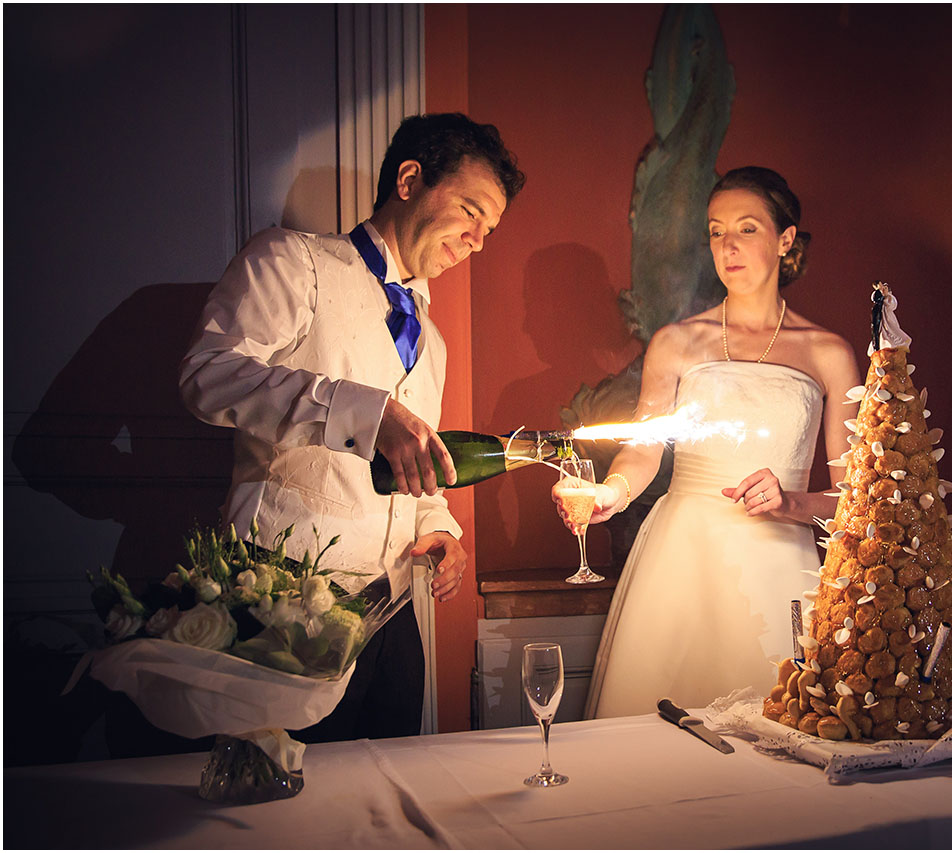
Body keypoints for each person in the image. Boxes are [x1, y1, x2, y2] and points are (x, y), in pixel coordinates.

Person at [180, 113, 525, 739]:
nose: (478, 240)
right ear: (410, 178)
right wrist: (362, 412)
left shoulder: (435, 343)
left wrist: (440, 529)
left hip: (393, 617)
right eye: (471, 210)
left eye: (490, 229)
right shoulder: (291, 261)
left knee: (389, 803)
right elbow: (208, 375)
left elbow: (414, 473)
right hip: (280, 599)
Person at [555, 167, 859, 718]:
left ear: (785, 239)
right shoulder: (677, 343)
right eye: (717, 231)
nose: (728, 246)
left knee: (779, 732)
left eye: (746, 229)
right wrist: (613, 493)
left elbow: (854, 503)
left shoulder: (828, 354)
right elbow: (645, 449)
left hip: (778, 561)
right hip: (682, 554)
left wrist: (791, 502)